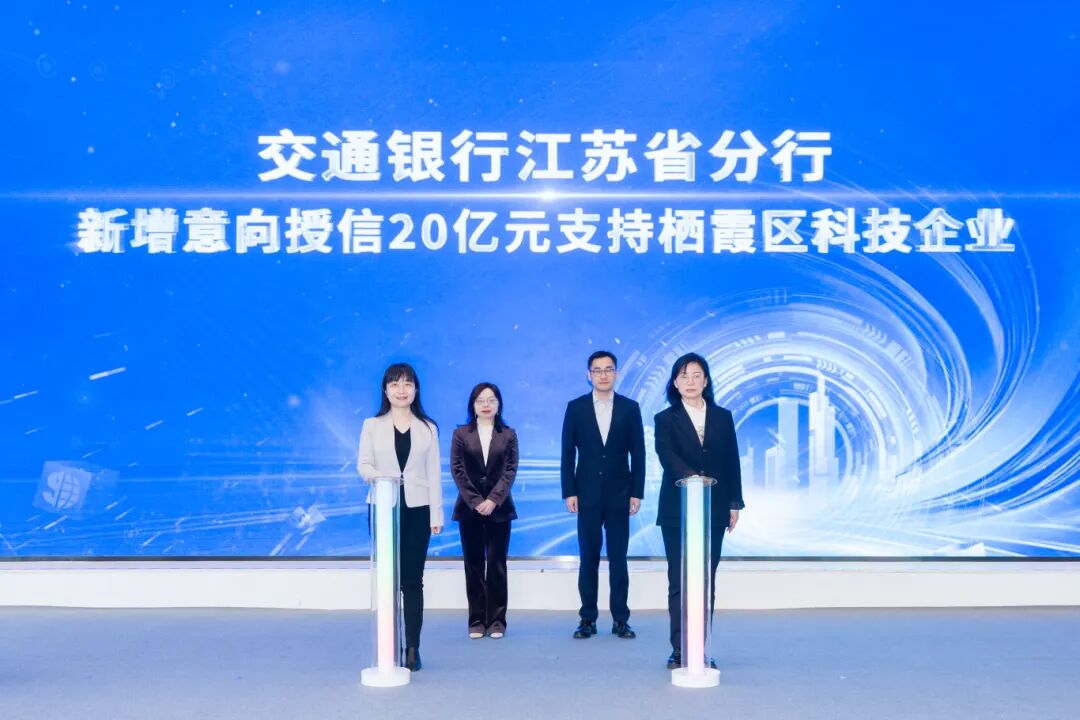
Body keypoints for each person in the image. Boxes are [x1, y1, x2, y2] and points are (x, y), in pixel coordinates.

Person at [653, 352, 745, 670]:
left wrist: (735, 502)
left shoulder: (723, 417)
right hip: (677, 510)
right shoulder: (665, 419)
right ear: (675, 383)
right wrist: (694, 481)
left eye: (696, 375)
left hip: (714, 509)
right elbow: (667, 456)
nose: (690, 381)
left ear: (706, 381)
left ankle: (701, 648)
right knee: (679, 579)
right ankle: (680, 649)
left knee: (706, 579)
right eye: (684, 376)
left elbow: (732, 460)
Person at [358, 362, 443, 672]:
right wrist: (384, 479)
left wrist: (436, 514)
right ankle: (389, 645)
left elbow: (434, 473)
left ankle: (413, 648)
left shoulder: (428, 427)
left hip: (418, 509)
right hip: (384, 506)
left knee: (412, 581)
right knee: (388, 580)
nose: (401, 390)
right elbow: (363, 465)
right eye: (394, 384)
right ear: (385, 390)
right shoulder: (372, 425)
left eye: (407, 383)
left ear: (416, 389)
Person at [560, 350, 646, 640]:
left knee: (619, 558)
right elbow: (567, 454)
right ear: (589, 375)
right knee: (589, 557)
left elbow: (639, 453)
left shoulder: (630, 408)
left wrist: (636, 492)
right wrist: (569, 491)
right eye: (597, 370)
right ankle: (587, 618)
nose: (603, 375)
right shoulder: (576, 408)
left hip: (620, 494)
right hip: (586, 494)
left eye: (608, 369)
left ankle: (621, 619)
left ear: (616, 373)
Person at [450, 382, 519, 640]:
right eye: (480, 400)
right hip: (469, 509)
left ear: (499, 404)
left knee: (497, 565)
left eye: (491, 400)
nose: (486, 405)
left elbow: (510, 470)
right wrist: (477, 500)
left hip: (500, 509)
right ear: (473, 405)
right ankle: (477, 621)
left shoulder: (509, 434)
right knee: (474, 565)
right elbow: (458, 469)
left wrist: (493, 500)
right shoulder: (461, 434)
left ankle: (498, 621)